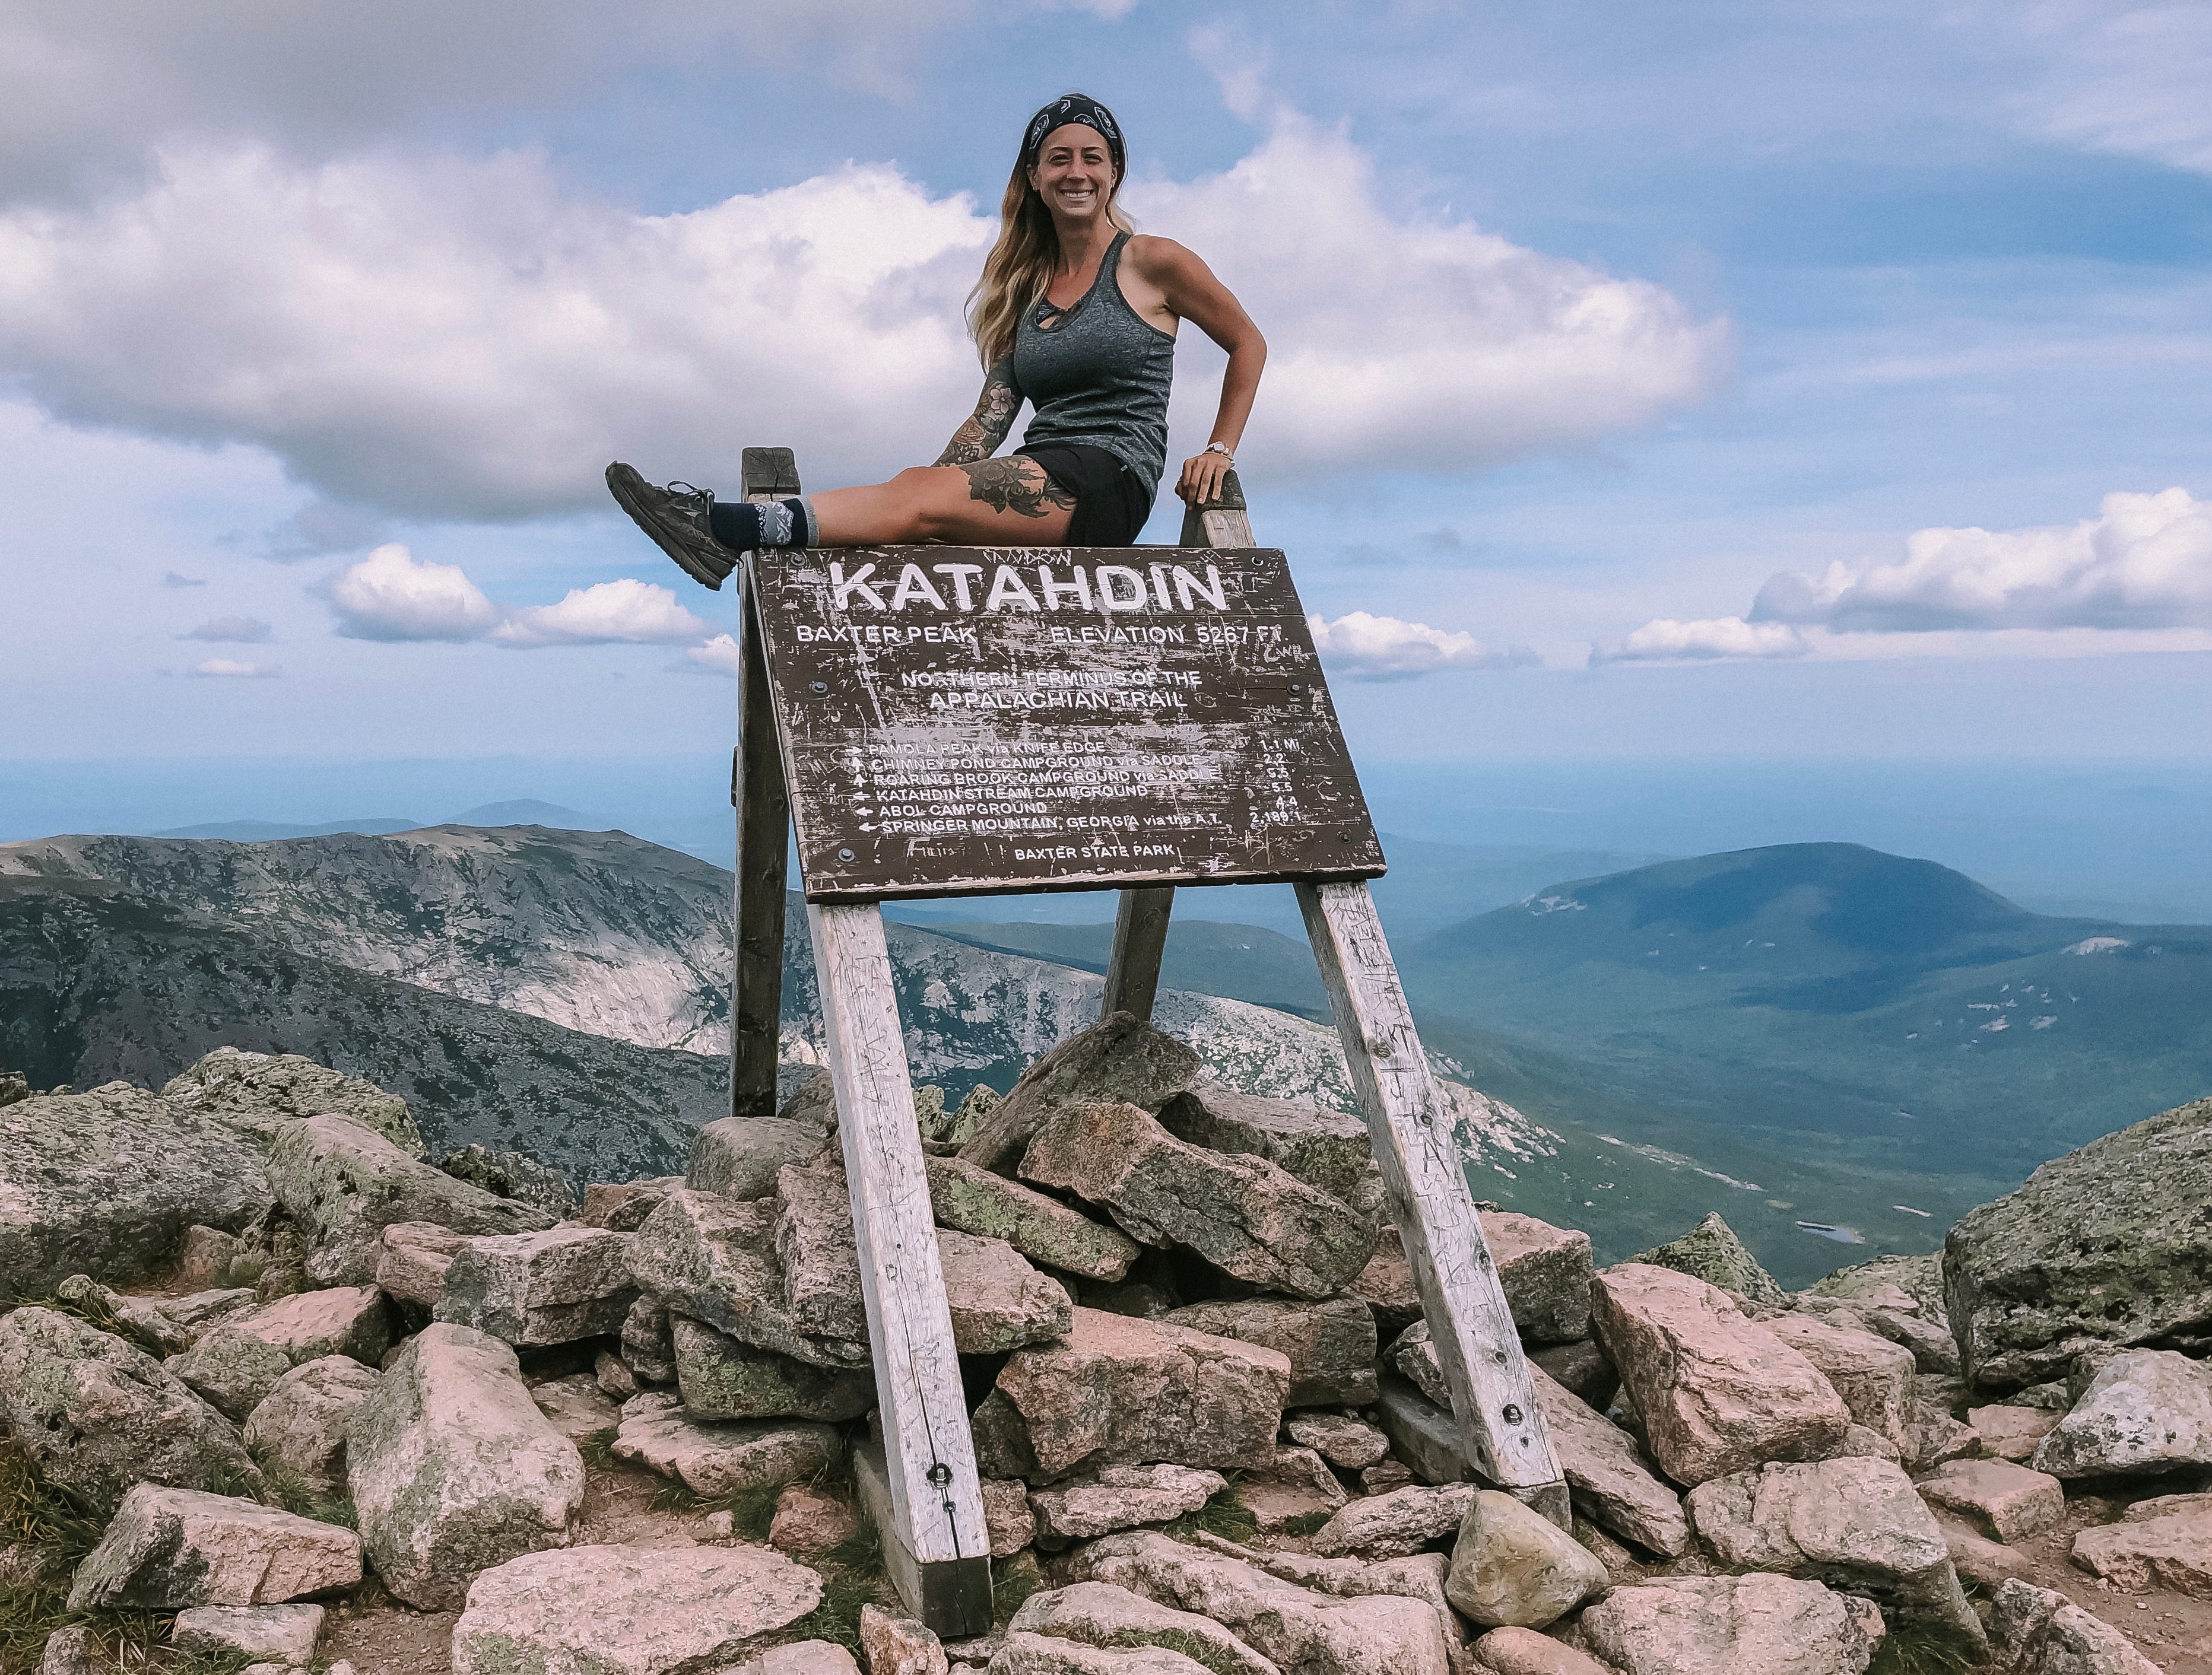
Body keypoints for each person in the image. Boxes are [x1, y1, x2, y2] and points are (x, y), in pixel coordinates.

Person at [607, 91, 1265, 587]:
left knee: (919, 499)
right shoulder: (1026, 296)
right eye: (1057, 158)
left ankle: (721, 530)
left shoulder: (1150, 260)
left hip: (1108, 478)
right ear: (1034, 178)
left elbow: (1247, 343)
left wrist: (1218, 448)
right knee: (915, 494)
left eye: (1092, 158)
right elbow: (988, 421)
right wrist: (917, 493)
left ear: (1113, 173)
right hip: (1042, 472)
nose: (1076, 172)